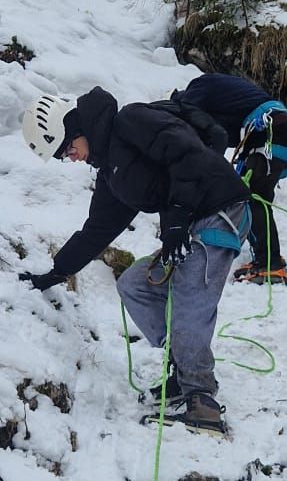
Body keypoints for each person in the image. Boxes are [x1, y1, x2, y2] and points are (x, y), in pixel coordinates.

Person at [19, 86, 252, 435]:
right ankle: (184, 370)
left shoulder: (131, 121)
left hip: (221, 210)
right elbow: (98, 229)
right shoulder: (112, 173)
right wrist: (56, 272)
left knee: (189, 297)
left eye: (67, 148)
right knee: (134, 284)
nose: (72, 158)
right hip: (190, 222)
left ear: (73, 126)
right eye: (64, 157)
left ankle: (202, 401)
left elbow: (187, 155)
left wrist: (177, 215)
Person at [169, 72, 287, 283]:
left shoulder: (197, 88)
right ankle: (268, 258)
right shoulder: (224, 104)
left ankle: (270, 264)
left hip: (268, 130)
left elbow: (192, 124)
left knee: (251, 199)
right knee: (253, 197)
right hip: (278, 131)